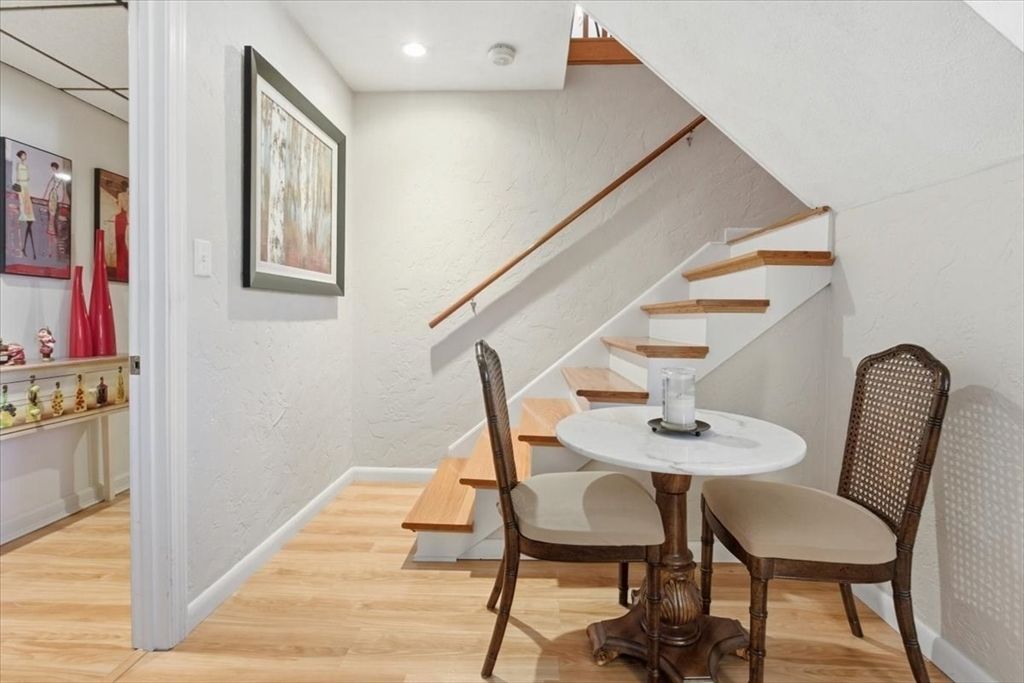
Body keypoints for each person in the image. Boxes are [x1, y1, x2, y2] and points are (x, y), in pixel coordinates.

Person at [13, 150, 35, 259]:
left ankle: (25, 247)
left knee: (29, 215)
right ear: (20, 156)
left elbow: (28, 177)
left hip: (26, 188)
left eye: (25, 155)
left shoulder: (25, 165)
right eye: (23, 155)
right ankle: (23, 247)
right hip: (22, 187)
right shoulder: (18, 165)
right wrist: (23, 180)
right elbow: (18, 178)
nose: (25, 156)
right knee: (24, 209)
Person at [43, 161, 66, 259]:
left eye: (53, 168)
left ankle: (52, 250)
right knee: (51, 218)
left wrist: (59, 200)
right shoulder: (54, 177)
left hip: (54, 198)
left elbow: (61, 191)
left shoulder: (59, 179)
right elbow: (48, 186)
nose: (52, 170)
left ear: (55, 168)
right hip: (52, 197)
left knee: (52, 218)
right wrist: (44, 197)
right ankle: (50, 250)